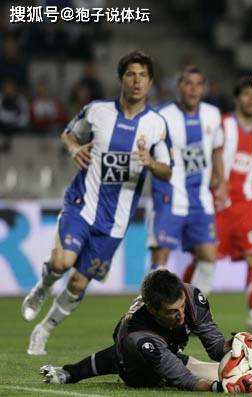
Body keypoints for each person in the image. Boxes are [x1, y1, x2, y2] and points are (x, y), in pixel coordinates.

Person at [21, 50, 173, 356]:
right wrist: (75, 148)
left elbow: (167, 172)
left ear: (150, 81)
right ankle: (42, 286)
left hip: (114, 222)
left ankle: (43, 331)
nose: (136, 81)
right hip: (82, 202)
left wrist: (150, 163)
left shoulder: (157, 124)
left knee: (78, 283)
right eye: (130, 74)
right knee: (63, 262)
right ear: (120, 79)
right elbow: (68, 134)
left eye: (143, 75)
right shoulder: (97, 111)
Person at [39, 270, 252, 393]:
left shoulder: (191, 297)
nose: (181, 316)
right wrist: (218, 388)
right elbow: (183, 379)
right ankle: (70, 373)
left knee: (241, 371)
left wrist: (236, 343)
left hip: (167, 349)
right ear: (152, 310)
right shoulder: (139, 337)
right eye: (172, 312)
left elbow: (215, 346)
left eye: (182, 308)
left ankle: (69, 372)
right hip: (138, 366)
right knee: (118, 360)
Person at [183, 77, 252, 331]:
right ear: (237, 99)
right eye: (247, 94)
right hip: (218, 204)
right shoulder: (222, 125)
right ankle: (184, 311)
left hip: (247, 205)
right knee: (205, 258)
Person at [148, 65, 227, 295]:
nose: (193, 89)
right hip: (169, 195)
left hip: (200, 199)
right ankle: (151, 313)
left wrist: (221, 182)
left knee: (208, 255)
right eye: (188, 83)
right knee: (161, 256)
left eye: (198, 84)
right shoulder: (162, 116)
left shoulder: (212, 114)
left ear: (204, 88)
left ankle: (195, 313)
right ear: (178, 87)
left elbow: (217, 150)